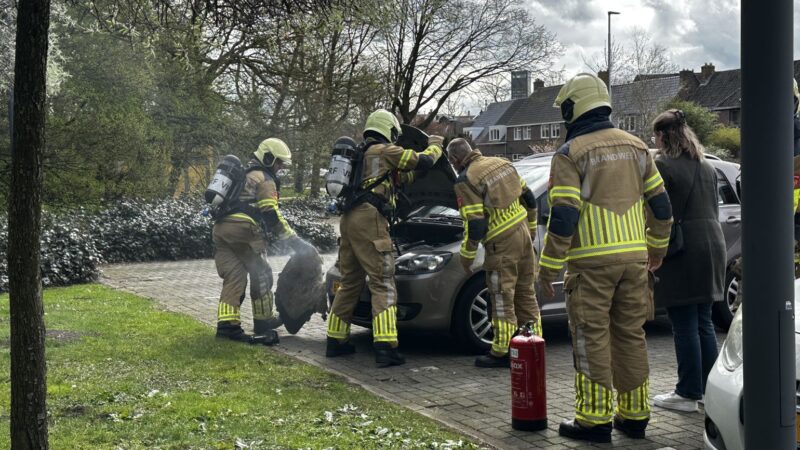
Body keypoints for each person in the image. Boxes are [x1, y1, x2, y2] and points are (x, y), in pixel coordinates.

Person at [539, 73, 673, 443]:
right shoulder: (638, 148)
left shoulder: (570, 153)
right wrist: (656, 250)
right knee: (631, 335)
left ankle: (593, 420)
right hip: (635, 262)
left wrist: (547, 267)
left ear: (573, 108)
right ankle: (634, 416)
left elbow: (564, 215)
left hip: (591, 267)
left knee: (590, 336)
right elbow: (662, 208)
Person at [326, 109, 444, 367]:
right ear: (388, 130)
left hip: (349, 219)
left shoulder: (361, 154)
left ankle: (336, 341)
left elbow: (399, 178)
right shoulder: (385, 151)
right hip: (370, 219)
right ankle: (386, 347)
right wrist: (435, 145)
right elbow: (422, 161)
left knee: (350, 282)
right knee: (383, 282)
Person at [649, 110, 726, 412]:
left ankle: (687, 391)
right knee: (703, 321)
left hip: (683, 248)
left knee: (683, 323)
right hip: (713, 244)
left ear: (664, 136)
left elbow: (658, 209)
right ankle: (708, 390)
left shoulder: (662, 165)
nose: (653, 141)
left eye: (655, 135)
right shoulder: (707, 167)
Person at [447, 138, 542, 368]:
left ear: (454, 160)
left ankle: (501, 351)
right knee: (526, 294)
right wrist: (531, 227)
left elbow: (476, 225)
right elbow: (528, 197)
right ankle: (533, 345)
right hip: (522, 234)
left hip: (502, 243)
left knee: (501, 297)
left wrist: (467, 256)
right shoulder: (502, 163)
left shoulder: (465, 180)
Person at [213, 138, 304, 343]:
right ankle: (263, 321)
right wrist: (292, 239)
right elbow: (270, 212)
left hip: (221, 229)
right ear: (268, 157)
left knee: (234, 277)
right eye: (278, 162)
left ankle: (227, 326)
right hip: (244, 230)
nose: (280, 167)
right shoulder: (265, 178)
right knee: (261, 272)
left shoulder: (242, 175)